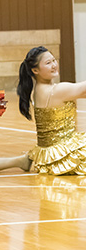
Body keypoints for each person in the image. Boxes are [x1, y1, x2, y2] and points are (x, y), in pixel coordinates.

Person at [17, 46, 86, 175]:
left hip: (49, 157)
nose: (54, 65)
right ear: (35, 70)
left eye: (54, 60)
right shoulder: (56, 91)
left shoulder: (36, 90)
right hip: (66, 155)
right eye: (48, 63)